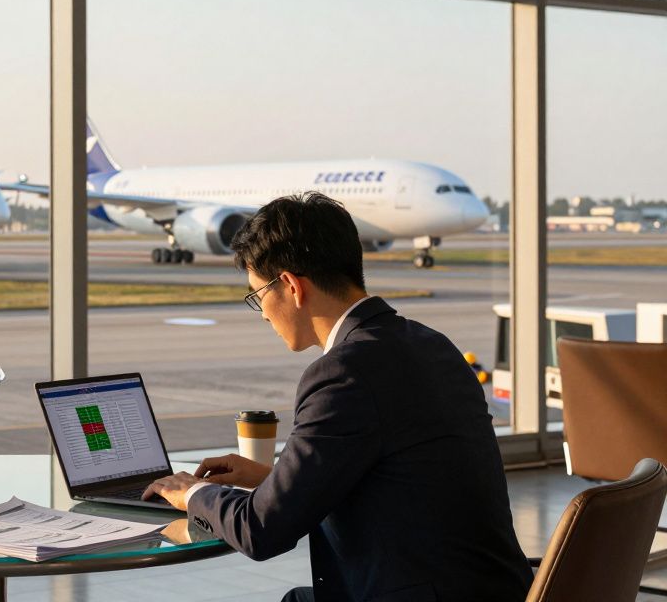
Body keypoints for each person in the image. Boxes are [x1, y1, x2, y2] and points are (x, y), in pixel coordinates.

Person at [143, 192, 532, 602]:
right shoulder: (430, 344)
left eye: (258, 296)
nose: (262, 313)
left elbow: (261, 531)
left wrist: (192, 493)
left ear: (291, 286)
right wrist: (273, 480)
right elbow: (395, 476)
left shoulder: (343, 373)